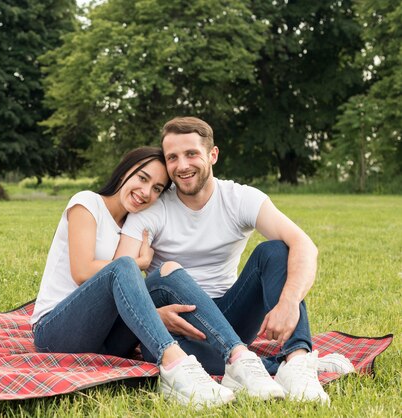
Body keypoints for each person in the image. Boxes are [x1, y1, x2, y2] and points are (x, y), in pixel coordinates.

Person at [116, 117, 352, 405]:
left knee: (276, 250)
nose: (182, 165)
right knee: (162, 338)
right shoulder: (152, 209)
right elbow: (121, 278)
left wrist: (289, 302)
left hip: (233, 314)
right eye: (172, 158)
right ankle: (277, 366)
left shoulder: (240, 198)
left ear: (212, 155)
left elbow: (304, 245)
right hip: (180, 322)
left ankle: (298, 360)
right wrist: (155, 315)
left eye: (191, 154)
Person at [30, 146, 236, 409]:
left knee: (166, 275)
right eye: (142, 178)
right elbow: (82, 271)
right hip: (55, 333)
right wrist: (139, 262)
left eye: (158, 188)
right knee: (124, 266)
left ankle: (236, 355)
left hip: (105, 342)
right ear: (125, 170)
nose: (146, 192)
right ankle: (175, 364)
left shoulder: (132, 224)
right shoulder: (87, 203)